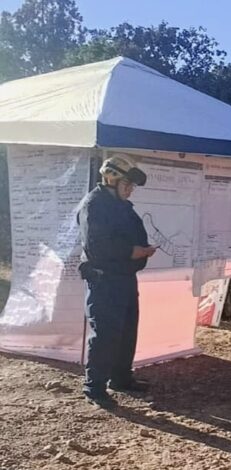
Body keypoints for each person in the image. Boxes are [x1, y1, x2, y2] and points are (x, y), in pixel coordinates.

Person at [76, 155, 157, 408]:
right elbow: (97, 246)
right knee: (105, 334)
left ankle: (121, 378)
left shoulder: (123, 206)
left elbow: (133, 234)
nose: (131, 189)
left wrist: (140, 251)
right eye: (127, 184)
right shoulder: (95, 204)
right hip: (104, 281)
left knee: (126, 330)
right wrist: (132, 251)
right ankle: (94, 387)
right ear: (111, 179)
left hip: (124, 278)